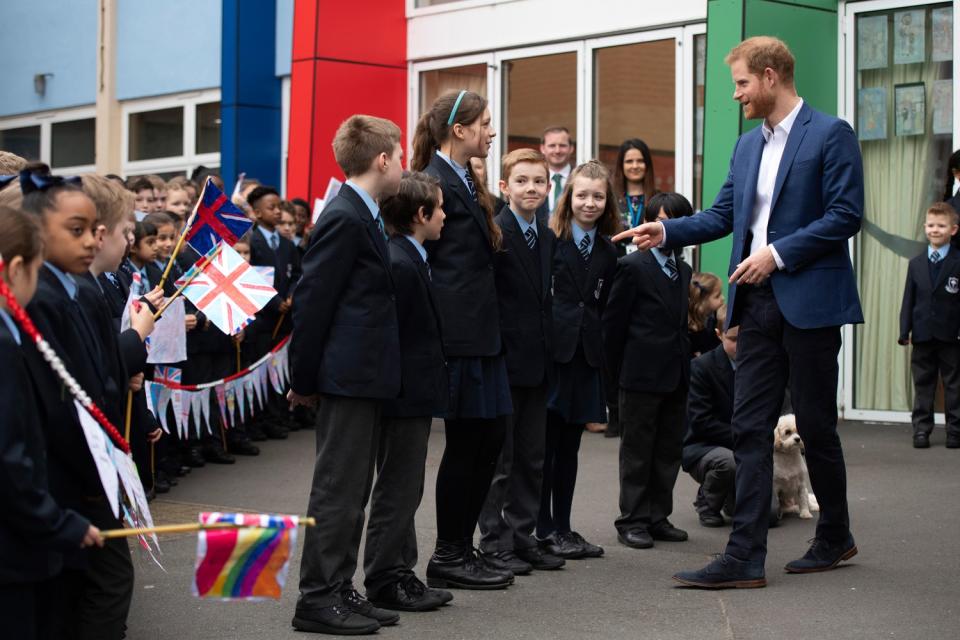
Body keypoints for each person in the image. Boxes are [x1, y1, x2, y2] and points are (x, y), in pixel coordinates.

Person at [617, 36, 864, 587]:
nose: (736, 95)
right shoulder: (747, 146)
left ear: (771, 76)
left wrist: (775, 255)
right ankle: (745, 555)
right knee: (748, 425)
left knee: (818, 425)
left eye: (741, 83)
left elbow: (847, 215)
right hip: (756, 305)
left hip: (810, 302)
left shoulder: (831, 134)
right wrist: (666, 231)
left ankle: (835, 536)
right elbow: (725, 213)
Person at [288, 114, 404, 636]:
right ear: (383, 159)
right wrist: (304, 378)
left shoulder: (365, 212)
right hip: (346, 377)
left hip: (365, 375)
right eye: (398, 154)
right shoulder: (345, 216)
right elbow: (312, 303)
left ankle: (339, 587)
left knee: (353, 490)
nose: (401, 163)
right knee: (337, 490)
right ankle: (316, 597)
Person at [21, 171, 143, 638]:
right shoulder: (47, 297)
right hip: (72, 473)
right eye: (78, 230)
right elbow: (65, 400)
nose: (95, 240)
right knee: (100, 586)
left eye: (96, 229)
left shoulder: (77, 288)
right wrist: (95, 477)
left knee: (92, 585)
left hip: (90, 466)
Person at [411, 90, 513, 591]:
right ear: (460, 130)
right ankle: (449, 552)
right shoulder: (433, 181)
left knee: (489, 439)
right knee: (467, 444)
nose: (492, 132)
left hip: (484, 334)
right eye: (486, 124)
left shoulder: (465, 179)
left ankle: (462, 545)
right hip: (459, 336)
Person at [0, 205, 104, 640]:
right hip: (12, 553)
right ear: (18, 268)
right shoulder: (4, 344)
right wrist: (60, 523)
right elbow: (8, 459)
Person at [364, 171, 453, 612]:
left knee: (406, 487)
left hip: (412, 392)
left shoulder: (411, 255)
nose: (444, 215)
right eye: (438, 208)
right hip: (403, 396)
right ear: (421, 215)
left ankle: (401, 571)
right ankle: (385, 578)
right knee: (397, 489)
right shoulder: (400, 262)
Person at [479, 148, 562, 575]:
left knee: (533, 456)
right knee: (501, 459)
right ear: (504, 187)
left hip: (539, 364)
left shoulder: (547, 237)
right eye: (522, 181)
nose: (531, 188)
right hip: (505, 363)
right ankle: (493, 542)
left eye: (538, 182)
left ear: (549, 188)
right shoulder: (495, 232)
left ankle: (522, 535)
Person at [537, 160, 619, 559]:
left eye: (598, 196)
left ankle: (564, 527)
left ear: (608, 202)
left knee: (569, 447)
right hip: (554, 355)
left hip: (585, 358)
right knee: (545, 446)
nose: (590, 202)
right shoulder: (551, 240)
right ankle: (541, 528)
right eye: (582, 194)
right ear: (568, 198)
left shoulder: (608, 250)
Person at [604, 191, 693, 551]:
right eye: (659, 218)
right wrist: (613, 381)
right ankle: (633, 519)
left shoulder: (684, 269)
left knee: (668, 448)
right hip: (639, 375)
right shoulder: (632, 267)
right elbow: (613, 327)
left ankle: (658, 516)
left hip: (675, 374)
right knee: (638, 450)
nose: (666, 226)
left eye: (675, 220)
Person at [683, 304, 782, 528]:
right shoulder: (701, 367)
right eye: (734, 339)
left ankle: (731, 497)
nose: (741, 346)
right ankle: (707, 502)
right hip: (706, 447)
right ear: (719, 335)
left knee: (769, 516)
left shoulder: (760, 366)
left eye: (746, 338)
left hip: (747, 446)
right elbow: (701, 423)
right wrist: (746, 438)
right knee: (728, 464)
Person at [899, 201, 960, 449]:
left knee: (954, 384)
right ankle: (921, 430)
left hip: (951, 335)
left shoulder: (958, 261)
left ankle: (955, 431)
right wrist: (905, 331)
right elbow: (908, 300)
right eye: (931, 225)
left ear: (953, 230)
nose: (935, 230)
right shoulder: (916, 264)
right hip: (922, 334)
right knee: (923, 384)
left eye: (941, 225)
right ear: (925, 227)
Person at [688, 272, 724, 357]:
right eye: (717, 296)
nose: (723, 298)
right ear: (701, 301)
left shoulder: (714, 318)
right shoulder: (688, 331)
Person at [541, 126, 575, 215]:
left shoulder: (580, 178)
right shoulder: (534, 179)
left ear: (571, 148)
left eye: (562, 145)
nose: (557, 151)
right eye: (552, 146)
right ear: (543, 148)